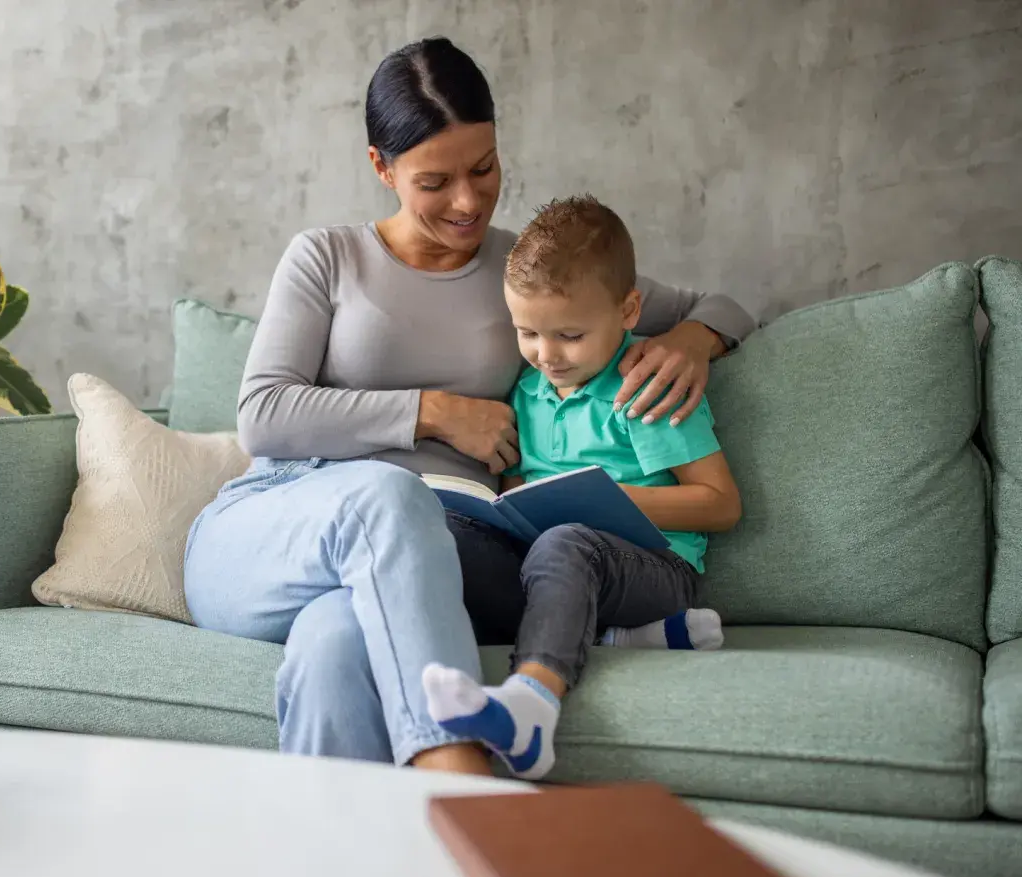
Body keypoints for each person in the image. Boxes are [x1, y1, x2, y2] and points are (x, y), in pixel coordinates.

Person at [181, 37, 758, 776]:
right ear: (381, 168)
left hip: (418, 565)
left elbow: (724, 304)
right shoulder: (325, 257)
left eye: (484, 169)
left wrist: (693, 339)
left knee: (334, 648)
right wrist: (434, 412)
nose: (467, 201)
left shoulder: (530, 272)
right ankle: (466, 790)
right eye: (434, 181)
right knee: (391, 496)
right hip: (274, 532)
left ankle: (348, 875)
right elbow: (264, 414)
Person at [421, 194, 742, 780]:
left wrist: (607, 504)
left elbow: (720, 504)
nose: (547, 356)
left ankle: (530, 706)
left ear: (628, 311)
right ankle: (619, 636)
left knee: (566, 540)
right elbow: (516, 494)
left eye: (569, 335)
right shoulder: (528, 389)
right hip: (555, 563)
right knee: (438, 530)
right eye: (528, 334)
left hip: (657, 569)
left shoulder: (644, 387)